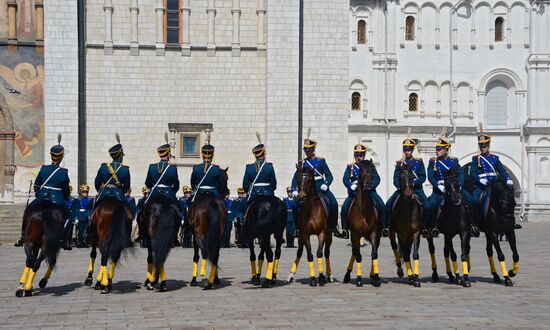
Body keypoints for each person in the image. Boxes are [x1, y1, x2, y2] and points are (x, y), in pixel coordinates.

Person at [16, 135, 71, 247]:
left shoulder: (44, 169)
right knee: (69, 217)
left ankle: (23, 236)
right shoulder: (63, 172)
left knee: (28, 211)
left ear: (51, 156)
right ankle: (63, 240)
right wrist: (64, 197)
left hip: (42, 197)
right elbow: (65, 190)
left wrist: (39, 195)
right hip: (57, 200)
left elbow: (36, 185)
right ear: (61, 157)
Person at [291, 136, 346, 238]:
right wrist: (294, 189)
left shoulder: (321, 162)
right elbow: (295, 178)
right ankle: (297, 228)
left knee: (333, 203)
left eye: (309, 150)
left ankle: (334, 227)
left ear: (313, 150)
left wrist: (326, 184)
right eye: (306, 150)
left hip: (320, 187)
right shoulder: (302, 163)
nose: (307, 152)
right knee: (294, 204)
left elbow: (329, 175)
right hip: (306, 189)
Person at [468, 133, 521, 230]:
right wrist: (480, 180)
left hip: (494, 184)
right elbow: (472, 173)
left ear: (488, 146)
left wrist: (508, 179)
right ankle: (473, 224)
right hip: (481, 185)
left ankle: (511, 221)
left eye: (484, 145)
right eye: (481, 146)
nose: (482, 148)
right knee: (474, 201)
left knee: (507, 198)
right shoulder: (476, 159)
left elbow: (502, 171)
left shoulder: (494, 158)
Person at [426, 136, 477, 237]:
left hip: (454, 187)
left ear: (445, 150)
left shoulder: (454, 161)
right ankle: (431, 226)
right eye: (436, 149)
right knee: (429, 205)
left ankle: (472, 225)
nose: (437, 151)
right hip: (440, 188)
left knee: (472, 201)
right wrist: (437, 186)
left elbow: (461, 173)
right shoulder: (433, 161)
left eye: (439, 149)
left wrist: (461, 186)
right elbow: (430, 176)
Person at [341, 144, 388, 238]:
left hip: (370, 192)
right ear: (354, 156)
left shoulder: (369, 166)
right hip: (355, 193)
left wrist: (371, 185)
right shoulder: (350, 167)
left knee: (382, 205)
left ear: (364, 155)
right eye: (357, 155)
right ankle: (345, 229)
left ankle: (384, 227)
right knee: (344, 208)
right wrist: (351, 186)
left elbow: (377, 178)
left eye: (361, 155)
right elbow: (345, 179)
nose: (359, 157)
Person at [385, 137, 429, 236]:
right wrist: (401, 187)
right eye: (405, 150)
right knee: (388, 204)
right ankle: (388, 226)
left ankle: (425, 227)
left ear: (413, 150)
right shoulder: (400, 163)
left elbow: (423, 177)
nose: (407, 152)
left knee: (427, 205)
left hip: (417, 190)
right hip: (402, 190)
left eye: (409, 150)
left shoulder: (419, 162)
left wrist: (413, 183)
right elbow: (395, 178)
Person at [94, 135, 131, 208]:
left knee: (94, 207)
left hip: (104, 194)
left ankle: (91, 219)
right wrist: (121, 191)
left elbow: (97, 183)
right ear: (120, 156)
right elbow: (127, 187)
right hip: (119, 194)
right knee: (128, 210)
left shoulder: (103, 167)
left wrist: (100, 191)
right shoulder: (125, 169)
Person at [242, 135, 277, 204]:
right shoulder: (269, 167)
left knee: (243, 208)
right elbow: (273, 184)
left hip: (254, 195)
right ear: (263, 154)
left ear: (255, 155)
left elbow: (245, 185)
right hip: (268, 194)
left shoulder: (249, 168)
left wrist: (249, 191)